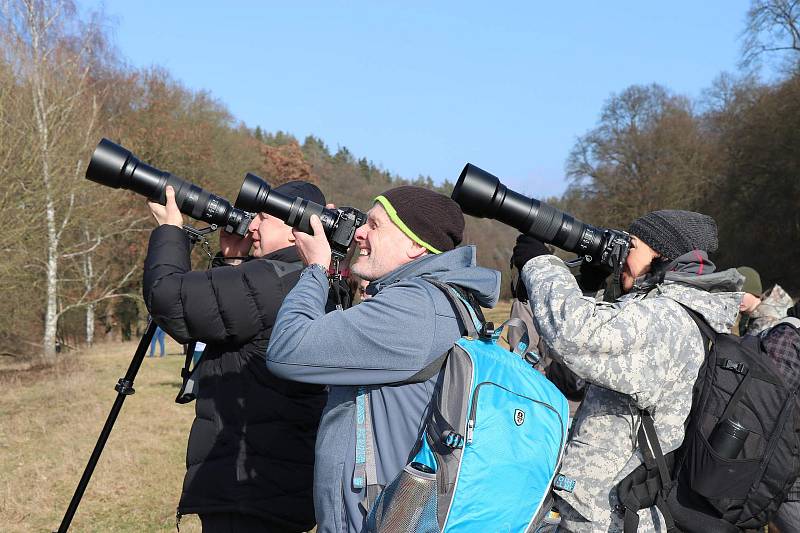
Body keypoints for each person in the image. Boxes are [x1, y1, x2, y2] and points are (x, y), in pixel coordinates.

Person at [266, 186, 500, 533]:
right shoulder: (441, 301)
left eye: (374, 225)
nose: (359, 232)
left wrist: (315, 268)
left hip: (374, 521)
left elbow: (288, 349)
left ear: (415, 245)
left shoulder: (414, 309)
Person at [520, 209, 743, 532]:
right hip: (606, 510)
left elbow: (576, 336)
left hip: (615, 516)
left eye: (632, 244)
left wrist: (538, 263)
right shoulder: (665, 311)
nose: (622, 252)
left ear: (663, 253)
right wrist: (590, 284)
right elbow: (578, 366)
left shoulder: (666, 319)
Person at [143, 182, 328, 533]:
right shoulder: (300, 278)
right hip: (271, 478)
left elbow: (171, 301)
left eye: (262, 217)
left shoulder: (275, 279)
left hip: (248, 485)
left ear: (296, 230)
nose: (251, 226)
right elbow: (229, 326)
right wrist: (234, 261)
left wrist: (170, 231)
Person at [736, 266, 794, 336]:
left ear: (754, 291)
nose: (737, 300)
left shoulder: (767, 323)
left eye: (741, 294)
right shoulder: (753, 313)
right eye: (733, 296)